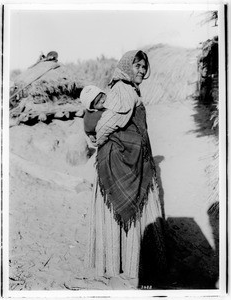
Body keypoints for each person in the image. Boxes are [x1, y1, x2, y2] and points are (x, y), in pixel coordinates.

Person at [85, 50, 167, 288]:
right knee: (132, 204)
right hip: (119, 161)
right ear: (126, 67)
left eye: (144, 66)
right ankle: (130, 265)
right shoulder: (124, 89)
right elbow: (107, 125)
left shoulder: (126, 88)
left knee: (128, 208)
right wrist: (99, 142)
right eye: (137, 65)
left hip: (128, 157)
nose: (141, 69)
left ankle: (119, 262)